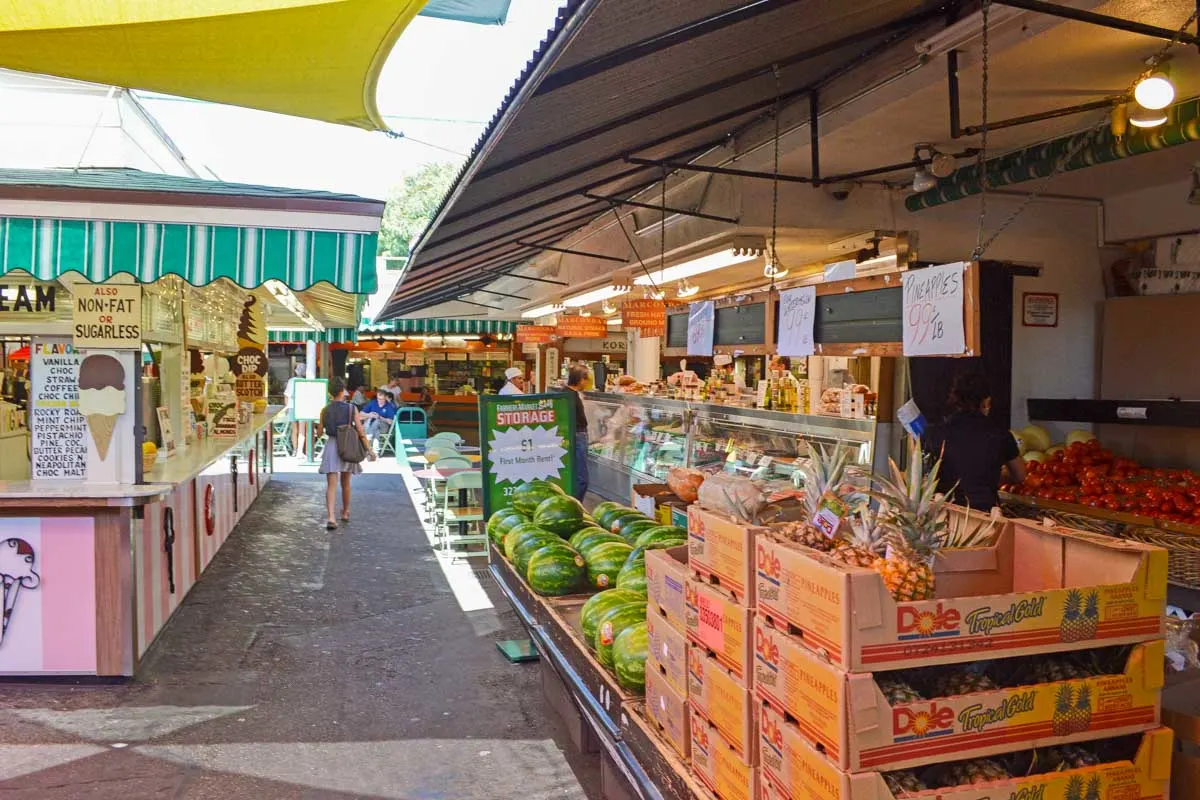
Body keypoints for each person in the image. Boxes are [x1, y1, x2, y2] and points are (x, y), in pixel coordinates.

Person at [923, 373, 1026, 511]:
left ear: (954, 399)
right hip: (985, 515)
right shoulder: (1000, 433)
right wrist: (990, 473)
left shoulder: (935, 433)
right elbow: (1020, 475)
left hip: (945, 514)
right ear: (986, 402)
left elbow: (926, 476)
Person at [318, 377, 375, 530]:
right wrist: (369, 449)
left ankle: (331, 517)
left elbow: (319, 433)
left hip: (331, 445)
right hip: (347, 445)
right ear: (343, 391)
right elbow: (361, 431)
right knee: (346, 483)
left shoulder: (325, 409)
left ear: (330, 393)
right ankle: (345, 512)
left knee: (331, 484)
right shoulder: (351, 409)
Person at [565, 365, 590, 501]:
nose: (587, 383)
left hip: (574, 436)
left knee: (576, 475)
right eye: (587, 379)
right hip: (578, 436)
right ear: (581, 379)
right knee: (582, 478)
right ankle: (576, 504)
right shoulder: (571, 396)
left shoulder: (566, 393)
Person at [284, 363, 307, 457]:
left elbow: (286, 395)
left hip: (292, 406)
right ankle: (300, 451)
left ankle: (295, 449)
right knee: (302, 430)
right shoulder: (307, 381)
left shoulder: (291, 381)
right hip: (303, 407)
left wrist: (286, 407)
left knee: (295, 430)